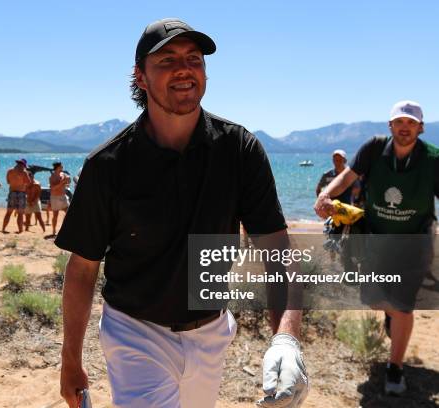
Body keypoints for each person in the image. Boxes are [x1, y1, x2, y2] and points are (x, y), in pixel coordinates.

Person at [56, 18, 307, 408]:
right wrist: (70, 360)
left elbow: (276, 250)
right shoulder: (108, 164)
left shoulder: (239, 150)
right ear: (140, 77)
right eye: (167, 60)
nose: (184, 68)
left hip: (212, 331)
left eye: (194, 58)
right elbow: (83, 268)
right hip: (134, 332)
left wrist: (287, 339)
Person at [314, 100, 437, 396]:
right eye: (399, 122)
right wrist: (326, 196)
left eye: (411, 123)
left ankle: (395, 369)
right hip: (375, 239)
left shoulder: (433, 160)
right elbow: (347, 176)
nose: (405, 128)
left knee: (404, 306)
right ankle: (392, 316)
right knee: (372, 299)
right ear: (390, 125)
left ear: (420, 128)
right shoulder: (373, 149)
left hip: (414, 242)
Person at [2, 158, 31, 234]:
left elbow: (8, 182)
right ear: (23, 165)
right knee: (20, 213)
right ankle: (20, 230)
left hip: (12, 192)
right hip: (21, 193)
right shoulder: (24, 172)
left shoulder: (10, 171)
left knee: (9, 212)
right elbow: (28, 182)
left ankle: (3, 228)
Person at [49, 161, 70, 236]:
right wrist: (62, 183)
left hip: (63, 196)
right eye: (61, 166)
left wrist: (68, 180)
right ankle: (54, 231)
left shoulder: (63, 174)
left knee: (69, 213)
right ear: (57, 167)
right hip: (55, 197)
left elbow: (67, 182)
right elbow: (53, 188)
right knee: (55, 215)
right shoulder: (52, 177)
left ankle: (66, 229)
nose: (62, 167)